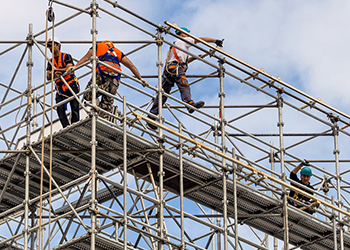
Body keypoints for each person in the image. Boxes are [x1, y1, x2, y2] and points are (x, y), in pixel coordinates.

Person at [147, 27, 223, 130]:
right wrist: (215, 41)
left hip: (169, 70)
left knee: (162, 95)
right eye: (187, 34)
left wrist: (193, 58)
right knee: (184, 85)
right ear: (182, 34)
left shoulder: (176, 44)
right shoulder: (183, 40)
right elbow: (198, 39)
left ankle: (151, 116)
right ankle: (189, 104)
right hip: (175, 68)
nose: (189, 36)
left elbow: (181, 61)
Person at [73, 40, 148, 120]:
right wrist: (140, 78)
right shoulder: (118, 52)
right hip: (115, 78)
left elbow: (87, 57)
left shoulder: (98, 46)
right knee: (107, 104)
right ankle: (102, 120)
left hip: (101, 73)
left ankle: (102, 89)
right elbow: (131, 65)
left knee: (87, 95)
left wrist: (75, 68)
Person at [46, 37, 80, 128]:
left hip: (71, 84)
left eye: (52, 45)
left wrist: (57, 70)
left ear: (58, 45)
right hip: (60, 88)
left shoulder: (66, 56)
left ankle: (75, 126)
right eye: (49, 46)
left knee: (75, 107)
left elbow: (69, 68)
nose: (50, 48)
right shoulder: (50, 61)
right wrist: (54, 73)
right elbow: (48, 77)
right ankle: (66, 126)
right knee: (59, 108)